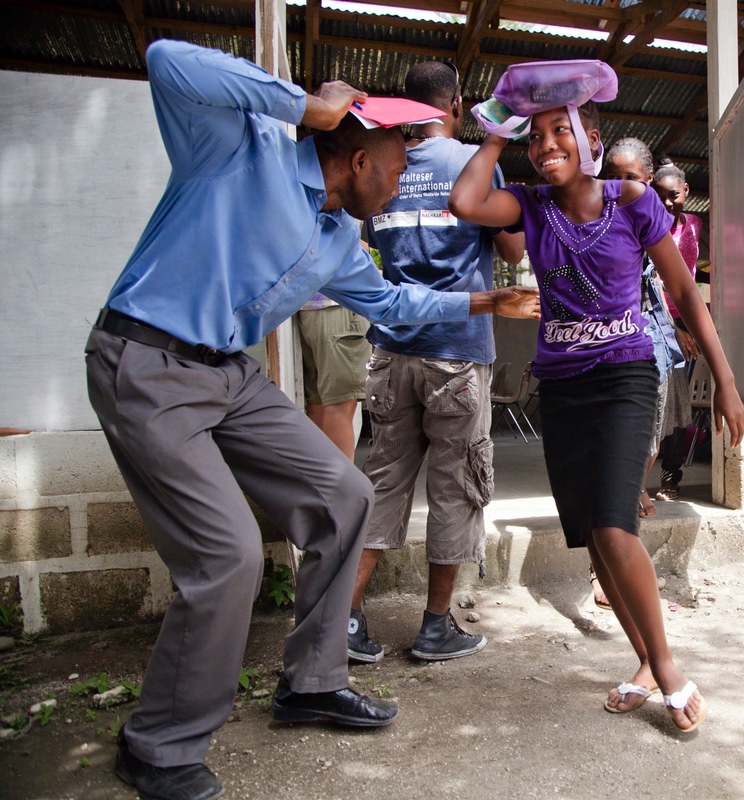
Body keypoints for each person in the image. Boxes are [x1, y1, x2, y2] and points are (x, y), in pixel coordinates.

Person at [85, 40, 538, 800]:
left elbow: (392, 304)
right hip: (146, 361)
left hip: (228, 372)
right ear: (357, 161)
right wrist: (300, 104)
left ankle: (313, 683)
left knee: (345, 494)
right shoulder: (241, 149)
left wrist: (485, 301)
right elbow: (167, 59)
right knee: (228, 554)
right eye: (393, 173)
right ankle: (157, 744)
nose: (397, 191)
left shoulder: (336, 239)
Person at [449, 60, 744, 734]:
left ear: (591, 140)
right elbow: (468, 203)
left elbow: (683, 297)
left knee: (617, 525)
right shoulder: (528, 204)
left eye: (563, 133)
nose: (548, 146)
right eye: (538, 136)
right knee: (595, 541)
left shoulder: (632, 201)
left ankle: (666, 667)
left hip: (624, 377)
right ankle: (644, 662)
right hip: (563, 387)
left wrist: (726, 382)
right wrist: (497, 131)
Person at [347, 60, 525, 664]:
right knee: (456, 488)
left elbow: (378, 242)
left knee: (382, 484)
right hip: (457, 353)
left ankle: (345, 622)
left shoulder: (387, 164)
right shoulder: (472, 164)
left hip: (391, 350)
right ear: (454, 105)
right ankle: (435, 627)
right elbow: (513, 246)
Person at [586, 137, 696, 611]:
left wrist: (725, 378)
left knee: (647, 445)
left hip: (649, 347)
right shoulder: (600, 221)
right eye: (613, 176)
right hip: (613, 354)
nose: (620, 186)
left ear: (647, 180)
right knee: (618, 457)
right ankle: (602, 571)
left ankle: (628, 503)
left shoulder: (655, 224)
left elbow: (683, 292)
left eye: (631, 178)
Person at [651, 160, 707, 502]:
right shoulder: (649, 227)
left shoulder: (696, 225)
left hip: (684, 321)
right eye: (660, 196)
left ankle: (671, 476)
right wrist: (674, 330)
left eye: (673, 195)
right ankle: (639, 473)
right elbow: (652, 282)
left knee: (680, 402)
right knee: (657, 399)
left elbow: (693, 274)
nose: (668, 203)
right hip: (656, 320)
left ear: (686, 192)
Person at [298, 292, 372, 459]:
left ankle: (323, 482)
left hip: (307, 306)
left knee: (318, 404)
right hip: (340, 302)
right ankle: (341, 484)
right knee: (340, 405)